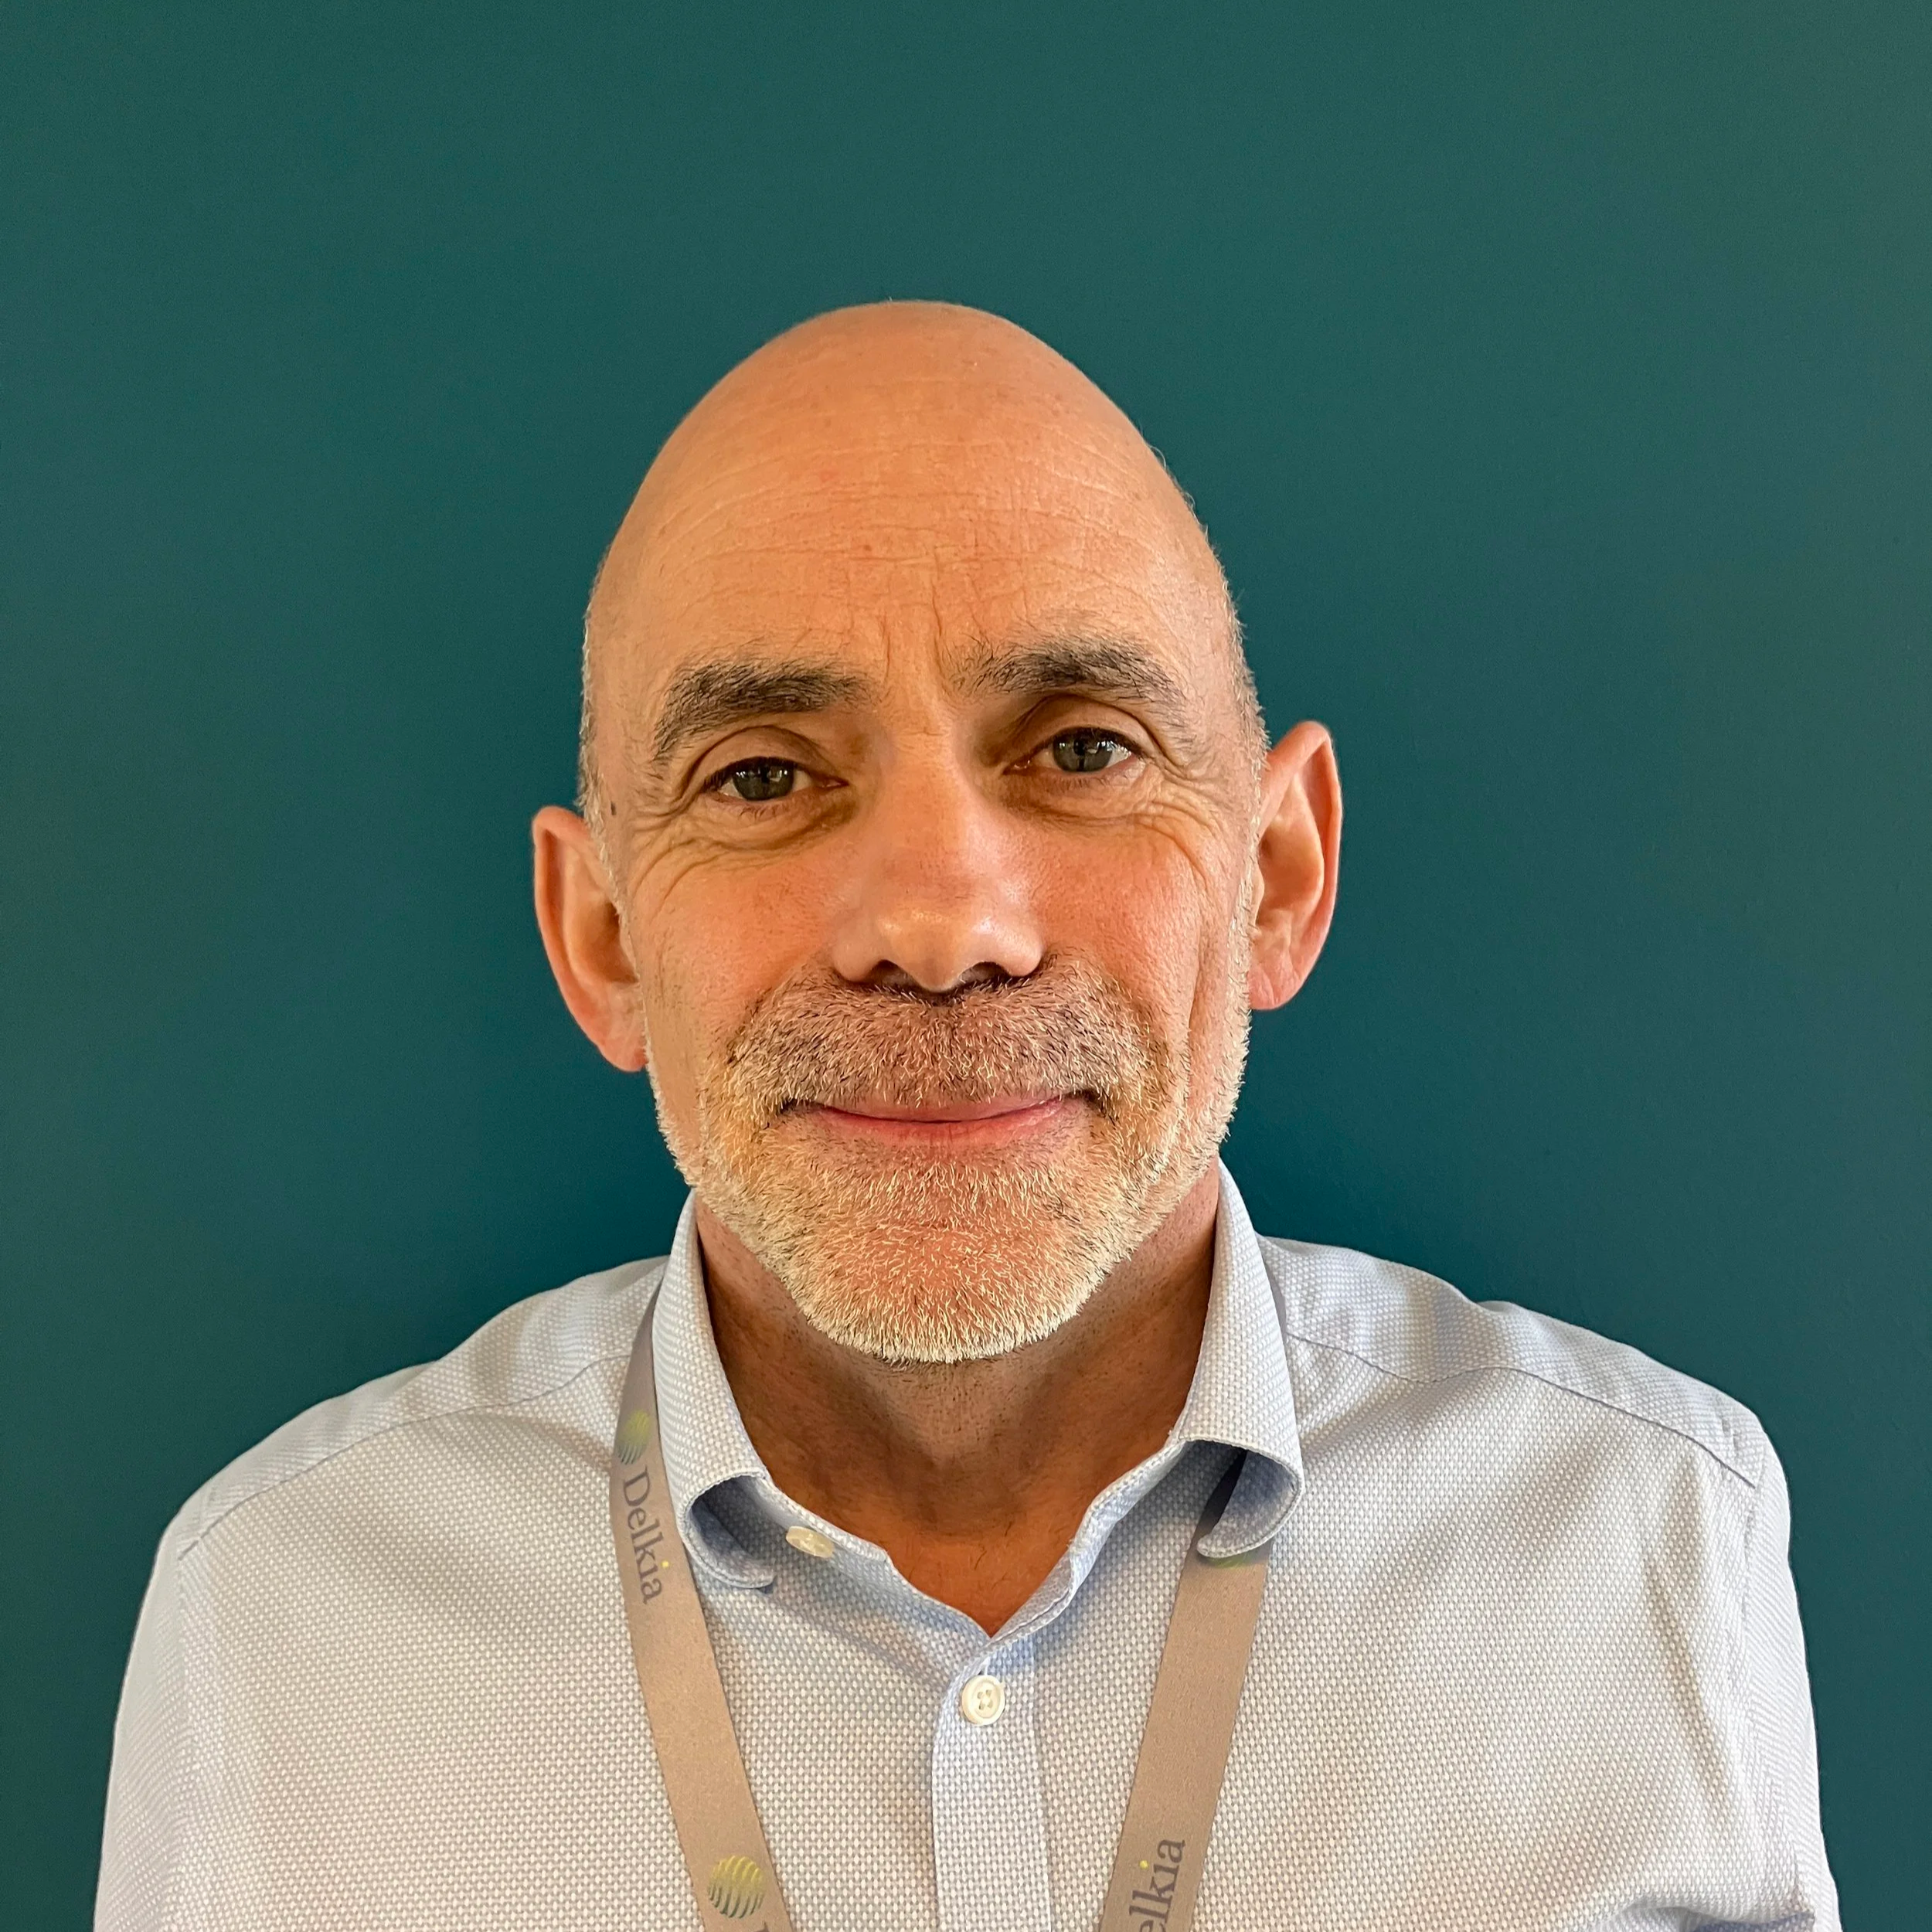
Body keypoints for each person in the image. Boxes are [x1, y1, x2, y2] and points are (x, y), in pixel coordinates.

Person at [97, 302, 1838, 1932]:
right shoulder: (279, 1616)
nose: (939, 924)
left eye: (1079, 748)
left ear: (1275, 874)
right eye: (763, 774)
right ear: (603, 937)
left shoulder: (1646, 1535)